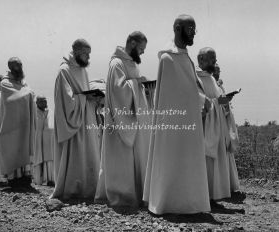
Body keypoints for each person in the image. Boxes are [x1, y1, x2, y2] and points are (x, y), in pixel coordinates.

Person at [143, 15, 211, 215]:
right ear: (177, 28)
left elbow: (190, 86)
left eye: (194, 29)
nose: (193, 33)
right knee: (172, 157)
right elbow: (174, 92)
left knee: (189, 158)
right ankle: (168, 202)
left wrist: (200, 99)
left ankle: (190, 202)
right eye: (190, 28)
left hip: (189, 120)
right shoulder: (168, 58)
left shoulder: (185, 56)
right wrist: (200, 99)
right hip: (174, 122)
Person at [95, 31, 151, 208]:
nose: (142, 53)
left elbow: (132, 86)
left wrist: (141, 85)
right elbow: (119, 91)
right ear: (132, 44)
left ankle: (135, 192)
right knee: (122, 160)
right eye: (141, 48)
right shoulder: (117, 63)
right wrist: (137, 84)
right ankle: (122, 195)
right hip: (120, 122)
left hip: (134, 119)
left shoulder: (130, 63)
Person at [50, 39, 101, 200]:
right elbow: (66, 100)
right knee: (75, 156)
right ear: (77, 52)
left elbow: (83, 92)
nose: (88, 58)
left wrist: (93, 97)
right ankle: (73, 191)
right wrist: (85, 99)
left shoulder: (83, 70)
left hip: (86, 118)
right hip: (74, 122)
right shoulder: (64, 70)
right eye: (86, 54)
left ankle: (88, 189)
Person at [196, 47, 234, 201]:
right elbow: (198, 102)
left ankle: (215, 195)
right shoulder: (195, 78)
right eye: (212, 59)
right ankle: (204, 196)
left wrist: (226, 100)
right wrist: (217, 102)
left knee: (216, 163)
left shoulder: (211, 79)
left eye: (215, 59)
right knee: (205, 163)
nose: (214, 62)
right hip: (204, 127)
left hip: (216, 126)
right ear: (201, 60)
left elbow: (217, 100)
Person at [0, 57, 36, 187]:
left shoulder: (23, 82)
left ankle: (25, 178)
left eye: (20, 65)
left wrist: (28, 93)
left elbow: (28, 93)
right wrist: (28, 93)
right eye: (16, 66)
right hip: (11, 125)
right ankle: (14, 179)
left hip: (24, 123)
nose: (19, 68)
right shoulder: (5, 83)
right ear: (10, 67)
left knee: (24, 147)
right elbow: (12, 100)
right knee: (13, 148)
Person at [213, 63, 240, 193]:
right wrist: (224, 100)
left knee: (226, 150)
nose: (218, 73)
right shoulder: (210, 85)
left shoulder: (219, 85)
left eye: (219, 71)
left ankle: (227, 183)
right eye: (216, 71)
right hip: (215, 123)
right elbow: (213, 102)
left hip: (223, 120)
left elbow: (222, 103)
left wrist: (227, 100)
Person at [33, 96, 55, 186]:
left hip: (47, 141)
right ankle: (38, 180)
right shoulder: (34, 113)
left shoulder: (49, 112)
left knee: (48, 160)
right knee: (38, 159)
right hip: (37, 140)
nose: (45, 104)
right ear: (37, 103)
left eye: (45, 101)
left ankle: (49, 179)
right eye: (42, 102)